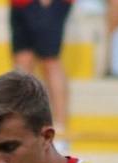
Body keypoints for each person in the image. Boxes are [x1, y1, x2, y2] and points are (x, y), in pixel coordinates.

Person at [10, 0, 72, 135]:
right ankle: (25, 126)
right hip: (20, 4)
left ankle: (60, 129)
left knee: (50, 61)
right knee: (23, 62)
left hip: (44, 4)